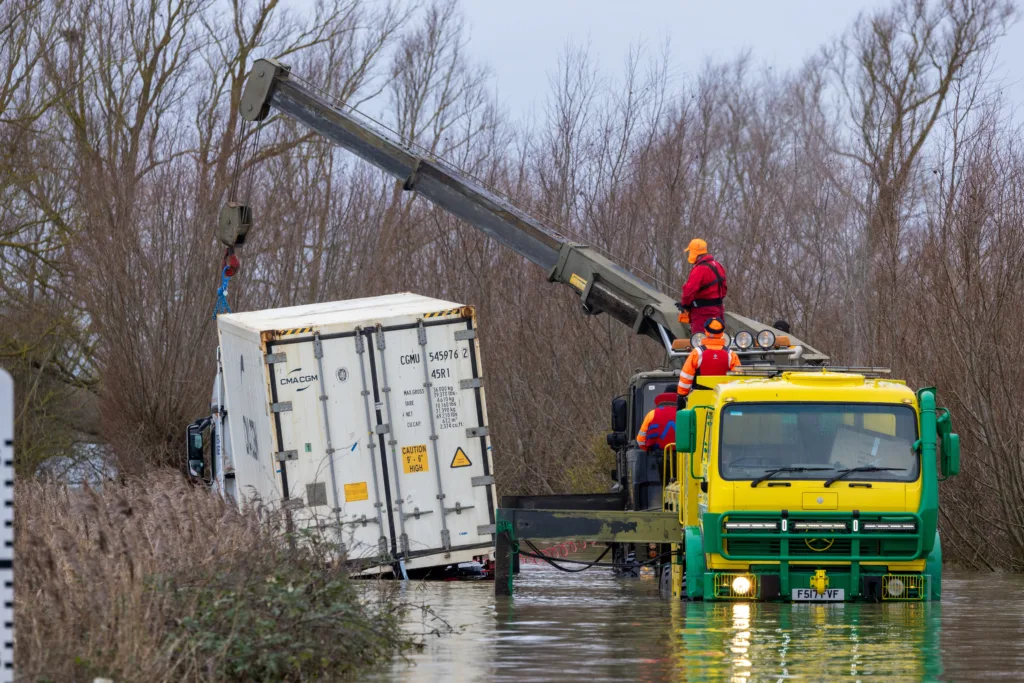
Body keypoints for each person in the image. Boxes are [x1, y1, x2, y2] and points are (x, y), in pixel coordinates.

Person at [677, 317, 740, 409]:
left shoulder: (697, 353)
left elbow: (686, 376)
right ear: (722, 333)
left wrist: (682, 396)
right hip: (723, 400)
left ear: (705, 331)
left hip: (698, 399)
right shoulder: (731, 354)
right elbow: (737, 379)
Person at [677, 238, 728, 334]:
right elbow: (724, 289)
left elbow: (689, 290)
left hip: (702, 314)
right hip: (718, 311)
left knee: (700, 342)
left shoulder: (700, 269)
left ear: (694, 252)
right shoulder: (718, 265)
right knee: (717, 340)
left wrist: (685, 305)